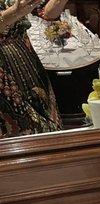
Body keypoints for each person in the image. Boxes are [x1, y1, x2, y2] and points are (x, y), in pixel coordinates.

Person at [0, 0, 69, 138]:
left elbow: (48, 13)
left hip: (25, 55)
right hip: (4, 71)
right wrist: (14, 12)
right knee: (23, 129)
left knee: (47, 120)